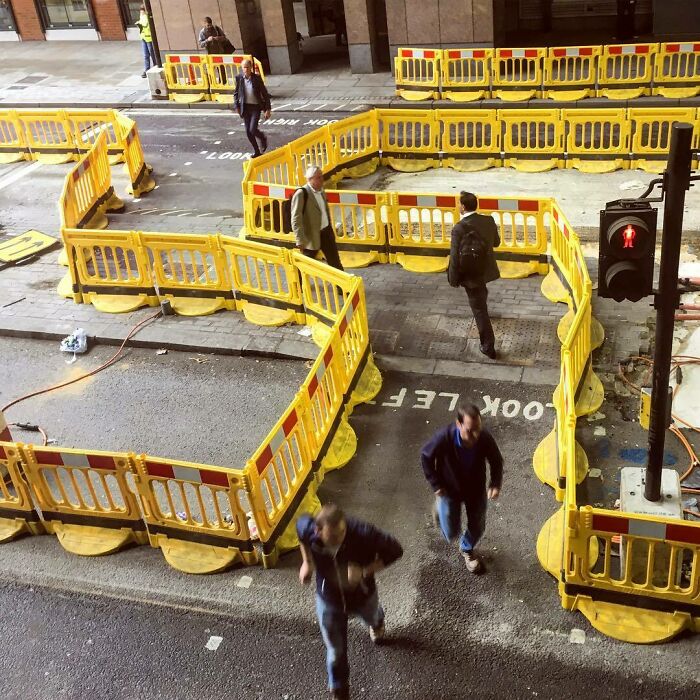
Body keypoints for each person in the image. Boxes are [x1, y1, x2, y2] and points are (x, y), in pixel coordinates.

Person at [297, 504, 403, 700]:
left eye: (343, 531)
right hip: (328, 599)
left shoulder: (363, 533)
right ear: (318, 531)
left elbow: (396, 550)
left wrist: (365, 571)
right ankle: (340, 689)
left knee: (371, 615)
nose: (341, 538)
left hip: (362, 595)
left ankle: (377, 621)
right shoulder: (308, 530)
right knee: (335, 650)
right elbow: (300, 533)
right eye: (335, 536)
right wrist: (307, 562)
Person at [420, 403, 503, 574]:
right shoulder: (444, 438)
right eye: (470, 430)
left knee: (478, 525)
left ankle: (467, 549)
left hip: (475, 489)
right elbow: (426, 456)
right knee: (450, 532)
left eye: (478, 429)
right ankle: (440, 506)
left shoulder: (483, 438)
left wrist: (495, 483)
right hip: (449, 490)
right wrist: (436, 484)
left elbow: (496, 459)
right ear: (458, 425)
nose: (475, 435)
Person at [447, 190, 500, 360]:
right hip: (486, 269)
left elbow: (454, 257)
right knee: (480, 297)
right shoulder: (488, 220)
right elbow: (497, 242)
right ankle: (482, 297)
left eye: (458, 204)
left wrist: (453, 278)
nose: (457, 206)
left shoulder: (458, 229)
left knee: (479, 309)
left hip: (471, 275)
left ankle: (488, 346)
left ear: (463, 207)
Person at [291, 165, 344, 271]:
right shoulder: (301, 193)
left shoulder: (321, 190)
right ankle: (299, 284)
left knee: (335, 262)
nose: (322, 180)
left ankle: (342, 287)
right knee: (305, 264)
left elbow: (324, 210)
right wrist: (300, 240)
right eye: (318, 177)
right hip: (311, 236)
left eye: (321, 176)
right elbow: (296, 218)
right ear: (310, 179)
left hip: (326, 232)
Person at [233, 59, 271, 158]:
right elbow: (236, 93)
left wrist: (268, 109)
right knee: (248, 132)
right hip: (245, 107)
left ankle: (263, 138)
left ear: (251, 68)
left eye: (247, 67)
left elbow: (265, 94)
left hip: (255, 107)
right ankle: (256, 151)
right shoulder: (239, 78)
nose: (245, 69)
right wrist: (236, 106)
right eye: (243, 68)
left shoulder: (257, 78)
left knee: (252, 129)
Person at [135, 5, 156, 79]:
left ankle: (155, 67)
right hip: (144, 38)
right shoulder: (142, 17)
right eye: (140, 10)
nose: (141, 12)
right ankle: (147, 70)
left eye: (142, 10)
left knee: (152, 54)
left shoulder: (146, 17)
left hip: (149, 38)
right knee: (146, 55)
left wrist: (139, 24)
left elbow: (145, 25)